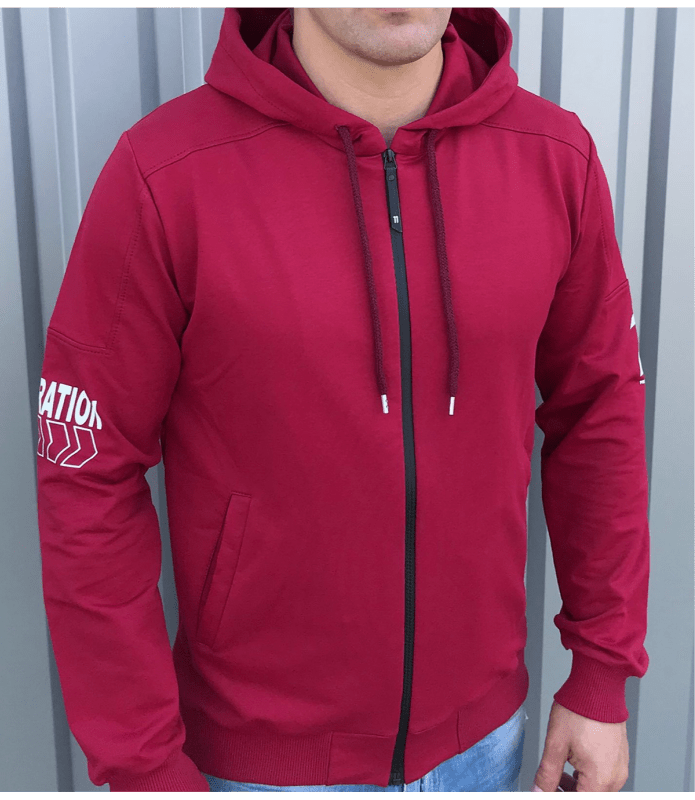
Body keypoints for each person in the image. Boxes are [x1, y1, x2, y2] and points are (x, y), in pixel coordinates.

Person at [36, 6, 650, 793]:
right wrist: (146, 767)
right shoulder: (168, 173)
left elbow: (599, 413)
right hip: (258, 766)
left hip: (486, 748)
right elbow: (87, 476)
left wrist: (600, 671)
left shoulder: (554, 158)